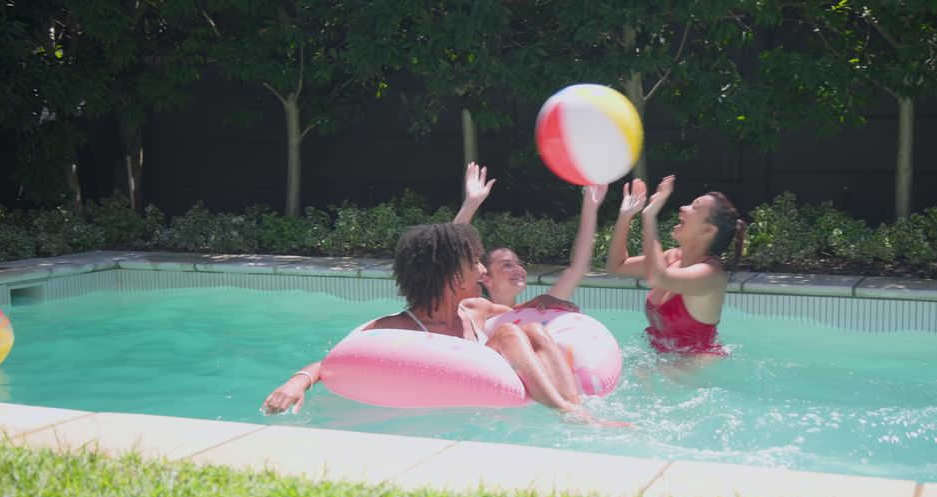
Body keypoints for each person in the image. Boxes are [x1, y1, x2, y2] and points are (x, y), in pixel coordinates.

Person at [261, 222, 602, 421]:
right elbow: (334, 359)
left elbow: (521, 318)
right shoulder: (401, 326)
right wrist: (297, 382)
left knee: (529, 330)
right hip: (447, 413)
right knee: (512, 332)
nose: (483, 271)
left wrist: (541, 302)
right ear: (453, 276)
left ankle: (578, 412)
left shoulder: (476, 309)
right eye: (475, 264)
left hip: (497, 406)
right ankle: (567, 412)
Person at [605, 175, 745, 355]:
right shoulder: (671, 258)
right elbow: (616, 266)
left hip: (694, 368)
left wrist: (649, 216)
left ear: (708, 230)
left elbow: (659, 278)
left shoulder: (711, 275)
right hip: (659, 360)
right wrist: (625, 216)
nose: (683, 208)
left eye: (694, 207)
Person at [454, 162, 607, 307]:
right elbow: (448, 260)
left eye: (519, 264)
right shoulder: (474, 312)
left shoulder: (537, 308)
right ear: (487, 279)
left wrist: (590, 207)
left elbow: (578, 268)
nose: (518, 269)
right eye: (507, 265)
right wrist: (471, 203)